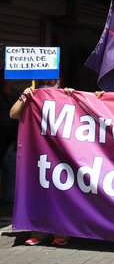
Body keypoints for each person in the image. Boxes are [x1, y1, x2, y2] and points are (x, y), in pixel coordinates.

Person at [9, 80, 74, 246]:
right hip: (37, 153)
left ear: (58, 81)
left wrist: (72, 96)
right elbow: (13, 114)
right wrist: (24, 97)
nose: (48, 82)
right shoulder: (32, 96)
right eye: (44, 81)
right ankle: (38, 232)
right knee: (38, 191)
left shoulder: (65, 95)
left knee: (60, 192)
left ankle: (62, 232)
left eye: (51, 80)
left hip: (60, 154)